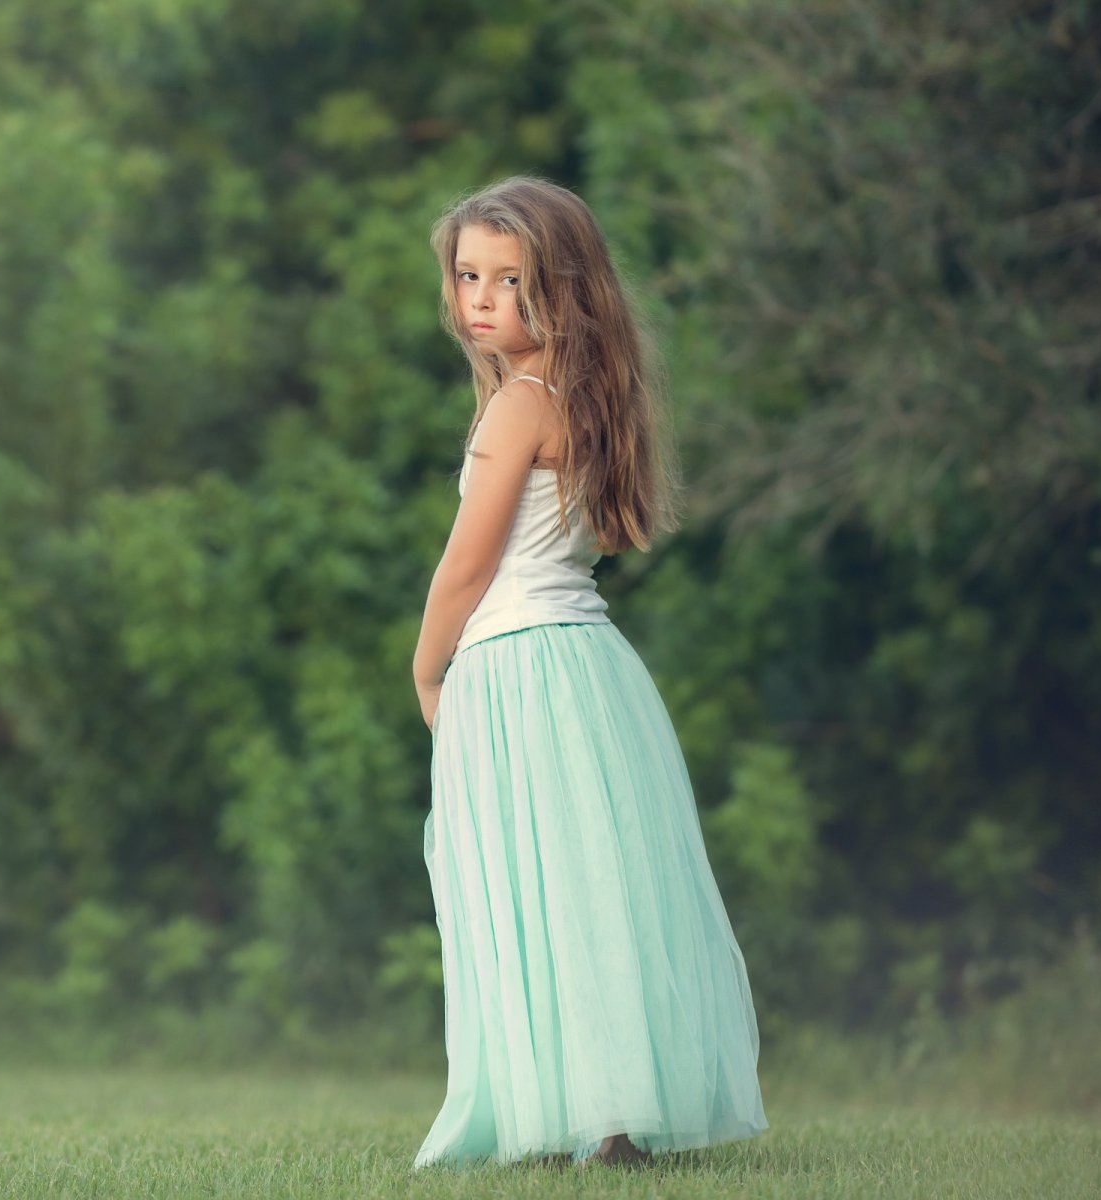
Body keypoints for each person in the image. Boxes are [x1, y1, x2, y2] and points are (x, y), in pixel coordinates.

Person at [409, 176, 770, 1171]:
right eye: (466, 275)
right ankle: (605, 1115)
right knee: (589, 884)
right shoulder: (589, 399)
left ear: (560, 290)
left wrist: (426, 666)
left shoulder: (520, 406)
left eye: (507, 280)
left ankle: (568, 1111)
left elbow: (467, 565)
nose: (478, 298)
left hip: (514, 665)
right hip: (590, 669)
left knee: (524, 883)